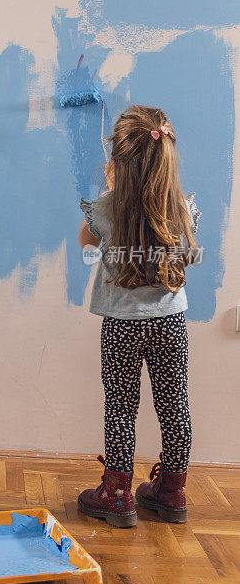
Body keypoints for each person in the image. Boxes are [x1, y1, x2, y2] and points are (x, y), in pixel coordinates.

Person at [77, 105, 200, 527]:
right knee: (175, 405)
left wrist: (109, 191)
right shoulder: (180, 207)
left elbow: (84, 242)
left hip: (121, 327)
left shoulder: (108, 208)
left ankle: (116, 495)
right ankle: (173, 489)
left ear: (118, 163)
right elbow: (185, 250)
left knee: (120, 408)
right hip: (171, 323)